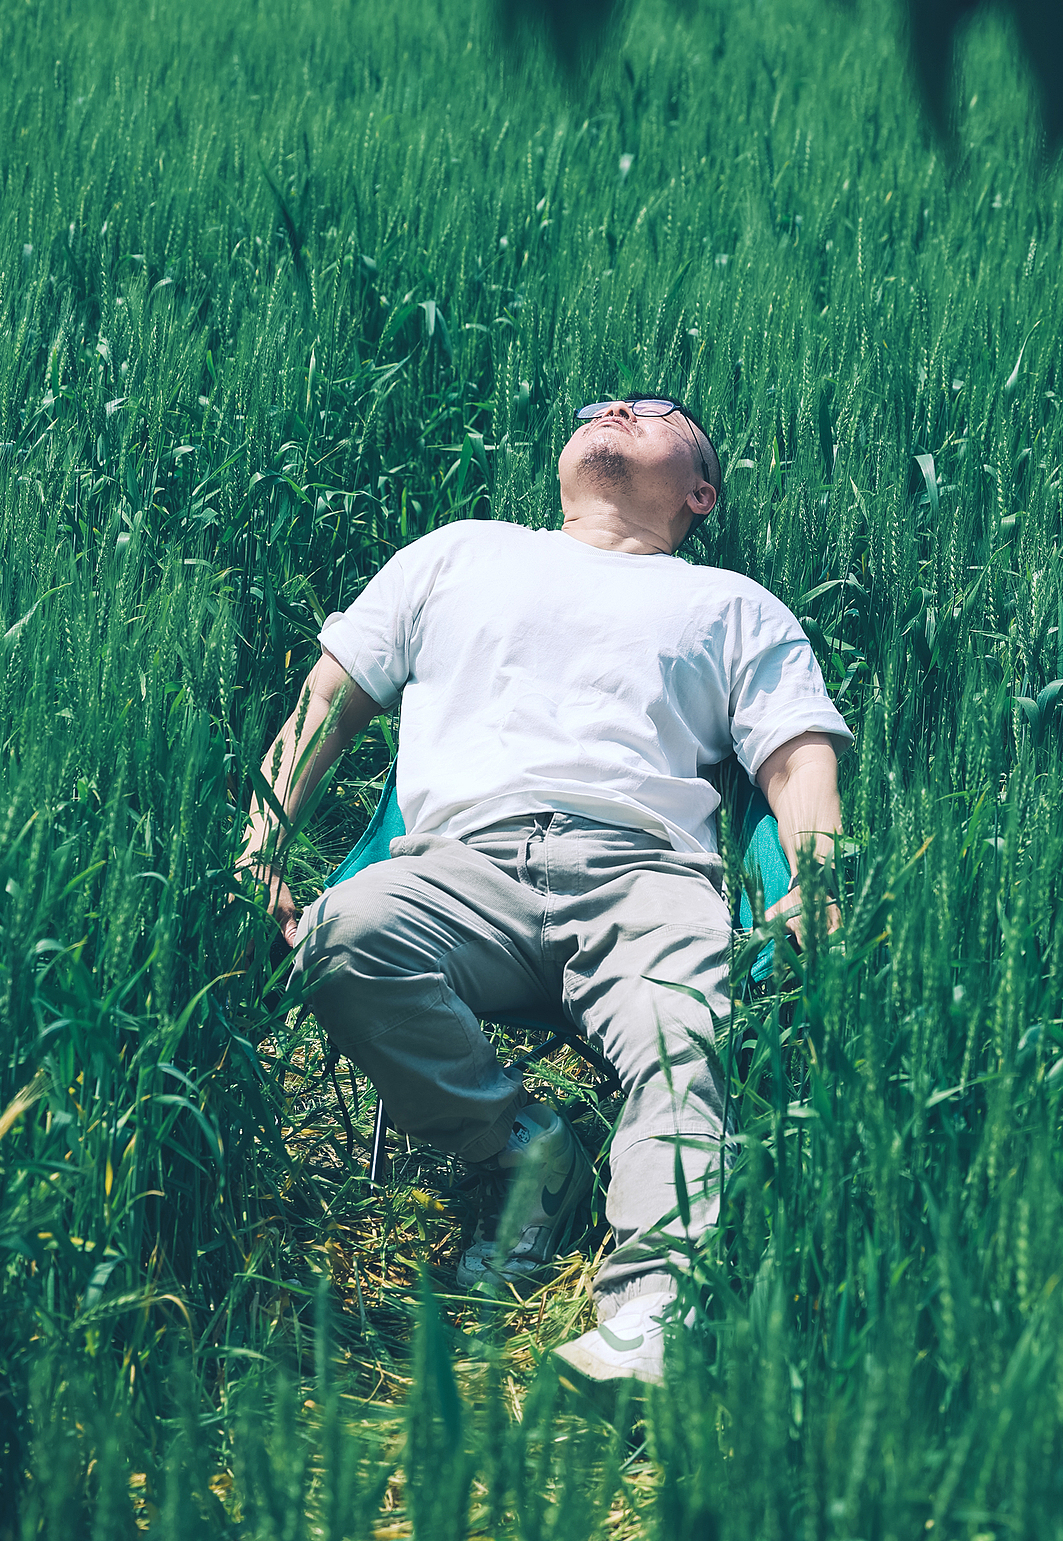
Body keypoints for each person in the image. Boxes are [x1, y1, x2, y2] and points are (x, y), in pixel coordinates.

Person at [236, 394, 851, 1389]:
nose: (619, 408)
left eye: (654, 413)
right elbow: (330, 697)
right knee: (340, 937)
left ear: (699, 491)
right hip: (454, 863)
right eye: (605, 406)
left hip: (645, 873)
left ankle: (650, 1312)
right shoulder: (460, 554)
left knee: (687, 1030)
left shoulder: (735, 606)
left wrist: (816, 879)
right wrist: (261, 845)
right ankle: (528, 1158)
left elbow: (795, 757)